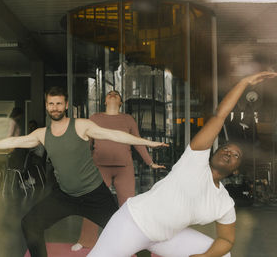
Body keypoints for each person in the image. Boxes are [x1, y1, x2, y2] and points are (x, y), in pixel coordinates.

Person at [87, 71, 277, 257]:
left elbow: (226, 240)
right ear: (212, 154)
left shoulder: (223, 203)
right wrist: (243, 83)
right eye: (225, 149)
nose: (228, 152)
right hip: (132, 223)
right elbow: (220, 116)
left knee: (222, 254)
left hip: (165, 238)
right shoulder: (194, 162)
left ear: (236, 171)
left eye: (236, 155)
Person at [0, 86, 167, 257]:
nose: (54, 107)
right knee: (30, 223)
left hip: (94, 195)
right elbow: (14, 141)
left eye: (58, 103)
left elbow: (115, 135)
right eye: (51, 104)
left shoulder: (81, 125)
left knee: (126, 230)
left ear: (66, 106)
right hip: (64, 195)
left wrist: (149, 143)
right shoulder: (42, 134)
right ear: (47, 106)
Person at [72, 90, 165, 251]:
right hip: (100, 166)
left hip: (124, 168)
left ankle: (129, 241)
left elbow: (137, 142)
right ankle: (87, 240)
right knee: (93, 202)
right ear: (104, 102)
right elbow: (86, 143)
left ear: (121, 102)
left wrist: (150, 163)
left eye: (116, 94)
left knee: (127, 206)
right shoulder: (95, 118)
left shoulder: (128, 119)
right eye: (109, 94)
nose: (112, 94)